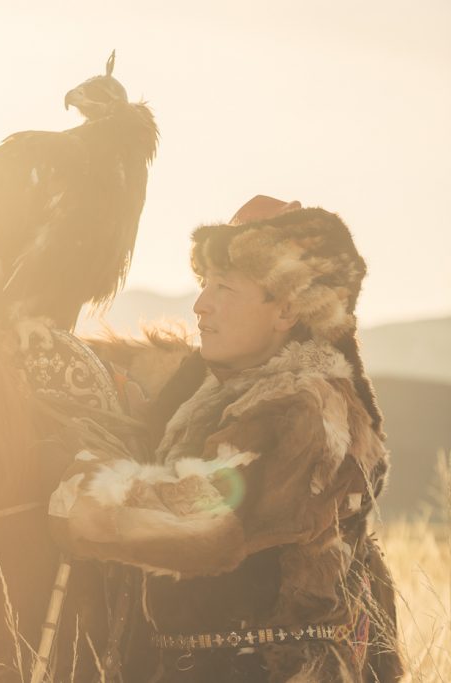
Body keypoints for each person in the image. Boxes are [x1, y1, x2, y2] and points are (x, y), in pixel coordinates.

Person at [48, 196, 404, 681]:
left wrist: (77, 489)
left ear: (284, 309)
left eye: (224, 286)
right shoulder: (218, 397)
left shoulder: (309, 409)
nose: (199, 304)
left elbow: (203, 524)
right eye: (203, 284)